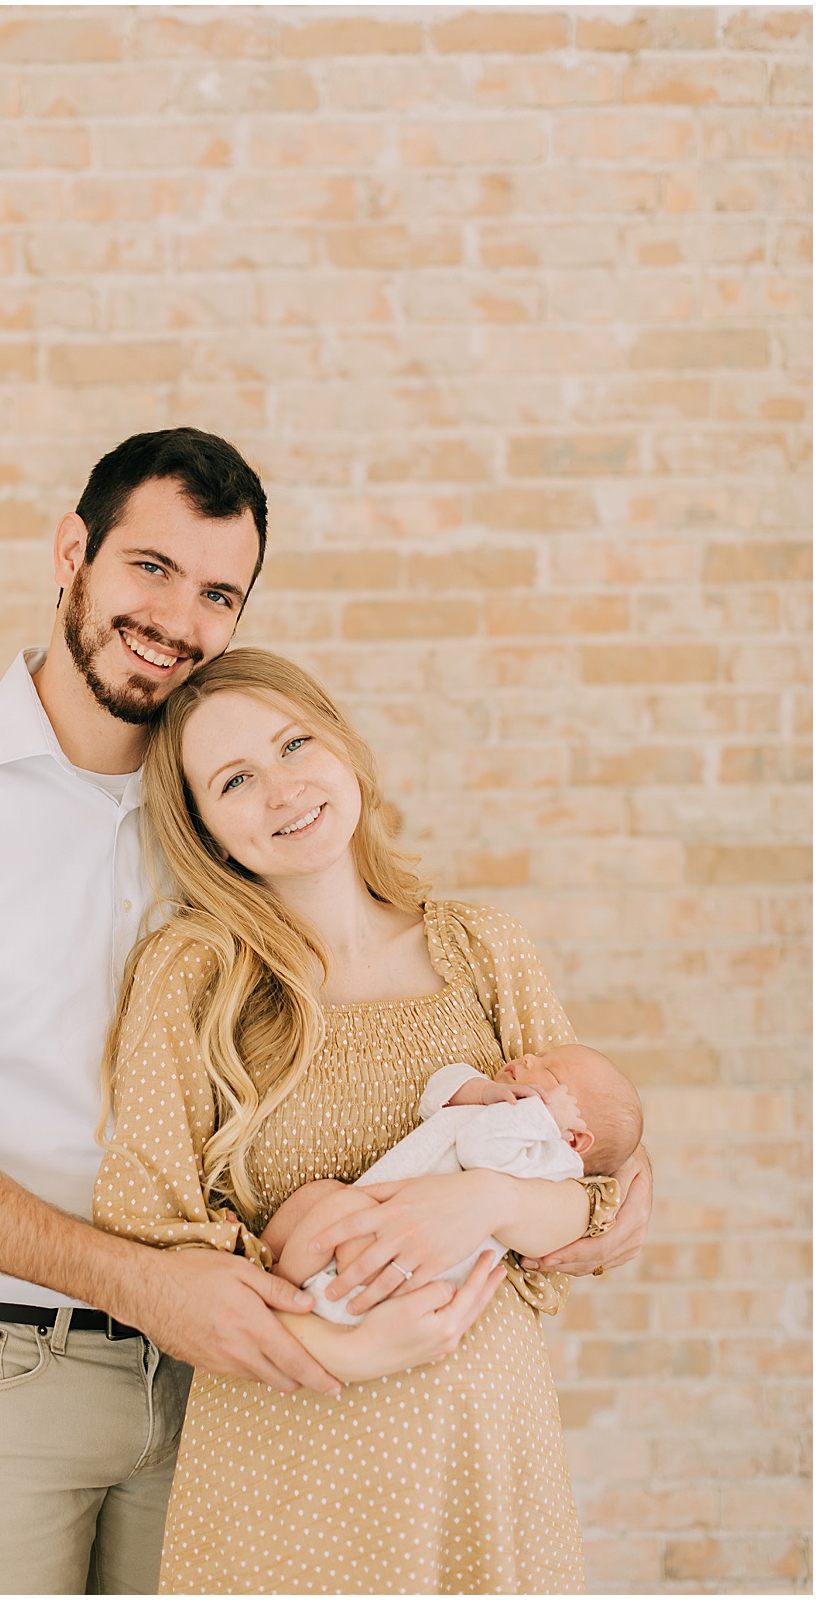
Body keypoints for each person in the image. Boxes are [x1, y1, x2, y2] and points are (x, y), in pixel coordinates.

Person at [0, 429, 354, 1596]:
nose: (177, 617)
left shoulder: (237, 808)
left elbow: (373, 1016)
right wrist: (144, 1281)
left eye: (218, 591)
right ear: (73, 552)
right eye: (149, 567)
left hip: (214, 1376)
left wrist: (588, 1165)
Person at [93, 647, 649, 1593]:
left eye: (295, 742)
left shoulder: (481, 948)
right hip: (294, 1444)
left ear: (343, 747)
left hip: (483, 1445)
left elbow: (599, 1207)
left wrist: (475, 1203)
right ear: (207, 830)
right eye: (235, 779)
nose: (282, 789)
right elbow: (145, 1245)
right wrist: (338, 1344)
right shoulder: (196, 975)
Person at [267, 1045, 643, 1325]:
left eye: (550, 1073)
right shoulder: (499, 1112)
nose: (529, 1058)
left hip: (403, 1258)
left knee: (336, 1208)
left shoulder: (547, 1159)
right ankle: (259, 1254)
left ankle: (275, 1289)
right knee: (316, 1198)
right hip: (376, 1216)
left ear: (574, 1138)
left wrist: (539, 1120)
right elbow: (436, 1092)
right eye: (540, 1055)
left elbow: (479, 1150)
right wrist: (482, 1090)